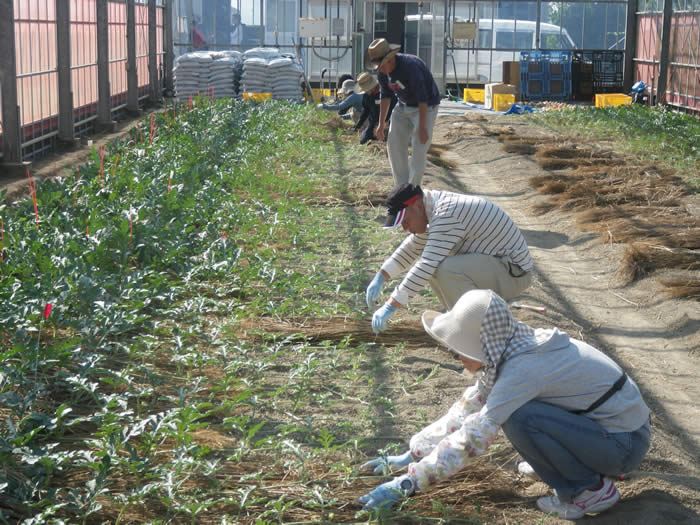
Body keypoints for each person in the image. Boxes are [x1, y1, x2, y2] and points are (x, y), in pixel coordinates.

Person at [359, 289, 651, 520]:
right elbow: (470, 406)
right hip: (606, 432)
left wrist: (408, 484)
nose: (456, 355)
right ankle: (570, 468)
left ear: (484, 342)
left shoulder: (523, 369)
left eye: (460, 347)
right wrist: (412, 454)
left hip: (623, 445)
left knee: (520, 418)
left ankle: (589, 490)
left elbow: (473, 436)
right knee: (517, 413)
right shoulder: (514, 346)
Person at [366, 183, 533, 334]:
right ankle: (464, 320)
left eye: (406, 221)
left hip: (514, 273)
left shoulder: (447, 214)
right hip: (497, 267)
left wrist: (390, 306)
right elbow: (413, 247)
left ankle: (477, 329)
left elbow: (426, 264)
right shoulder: (432, 209)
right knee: (437, 268)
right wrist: (381, 276)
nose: (405, 228)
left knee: (444, 268)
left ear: (417, 206)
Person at [367, 38, 441, 187]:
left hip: (425, 107)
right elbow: (386, 96)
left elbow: (422, 99)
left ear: (390, 59)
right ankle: (402, 187)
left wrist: (422, 127)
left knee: (419, 146)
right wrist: (381, 124)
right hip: (403, 106)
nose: (379, 69)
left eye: (381, 65)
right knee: (394, 144)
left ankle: (413, 189)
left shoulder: (410, 67)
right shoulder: (383, 73)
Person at [352, 72, 397, 145]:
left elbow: (393, 108)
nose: (365, 91)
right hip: (373, 123)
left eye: (366, 89)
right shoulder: (367, 96)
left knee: (387, 142)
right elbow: (366, 110)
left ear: (371, 86)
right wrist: (358, 125)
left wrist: (385, 123)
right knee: (363, 142)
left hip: (388, 123)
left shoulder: (385, 92)